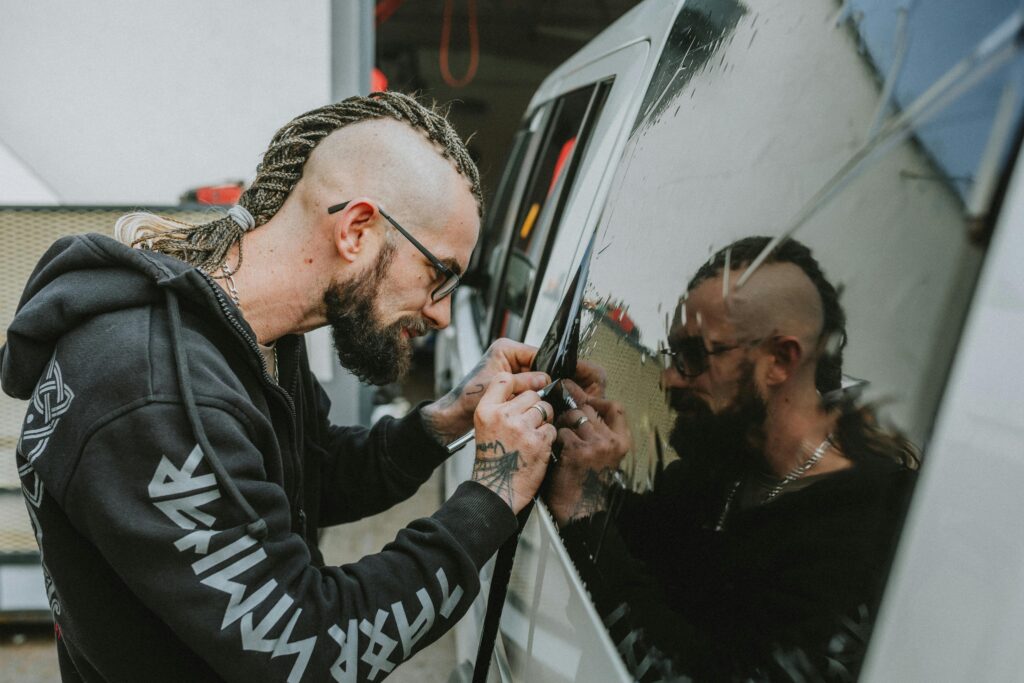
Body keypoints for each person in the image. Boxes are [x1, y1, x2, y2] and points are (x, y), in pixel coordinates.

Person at [0, 92, 563, 682]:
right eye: (439, 274)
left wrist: (444, 418)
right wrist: (490, 498)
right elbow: (310, 650)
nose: (442, 315)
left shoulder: (256, 336)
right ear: (357, 230)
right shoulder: (152, 394)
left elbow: (312, 471)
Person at [546, 236, 918, 680]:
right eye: (671, 354)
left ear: (780, 360)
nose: (668, 377)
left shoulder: (871, 536)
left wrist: (585, 515)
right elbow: (643, 537)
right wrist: (590, 461)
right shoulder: (718, 475)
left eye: (693, 355)